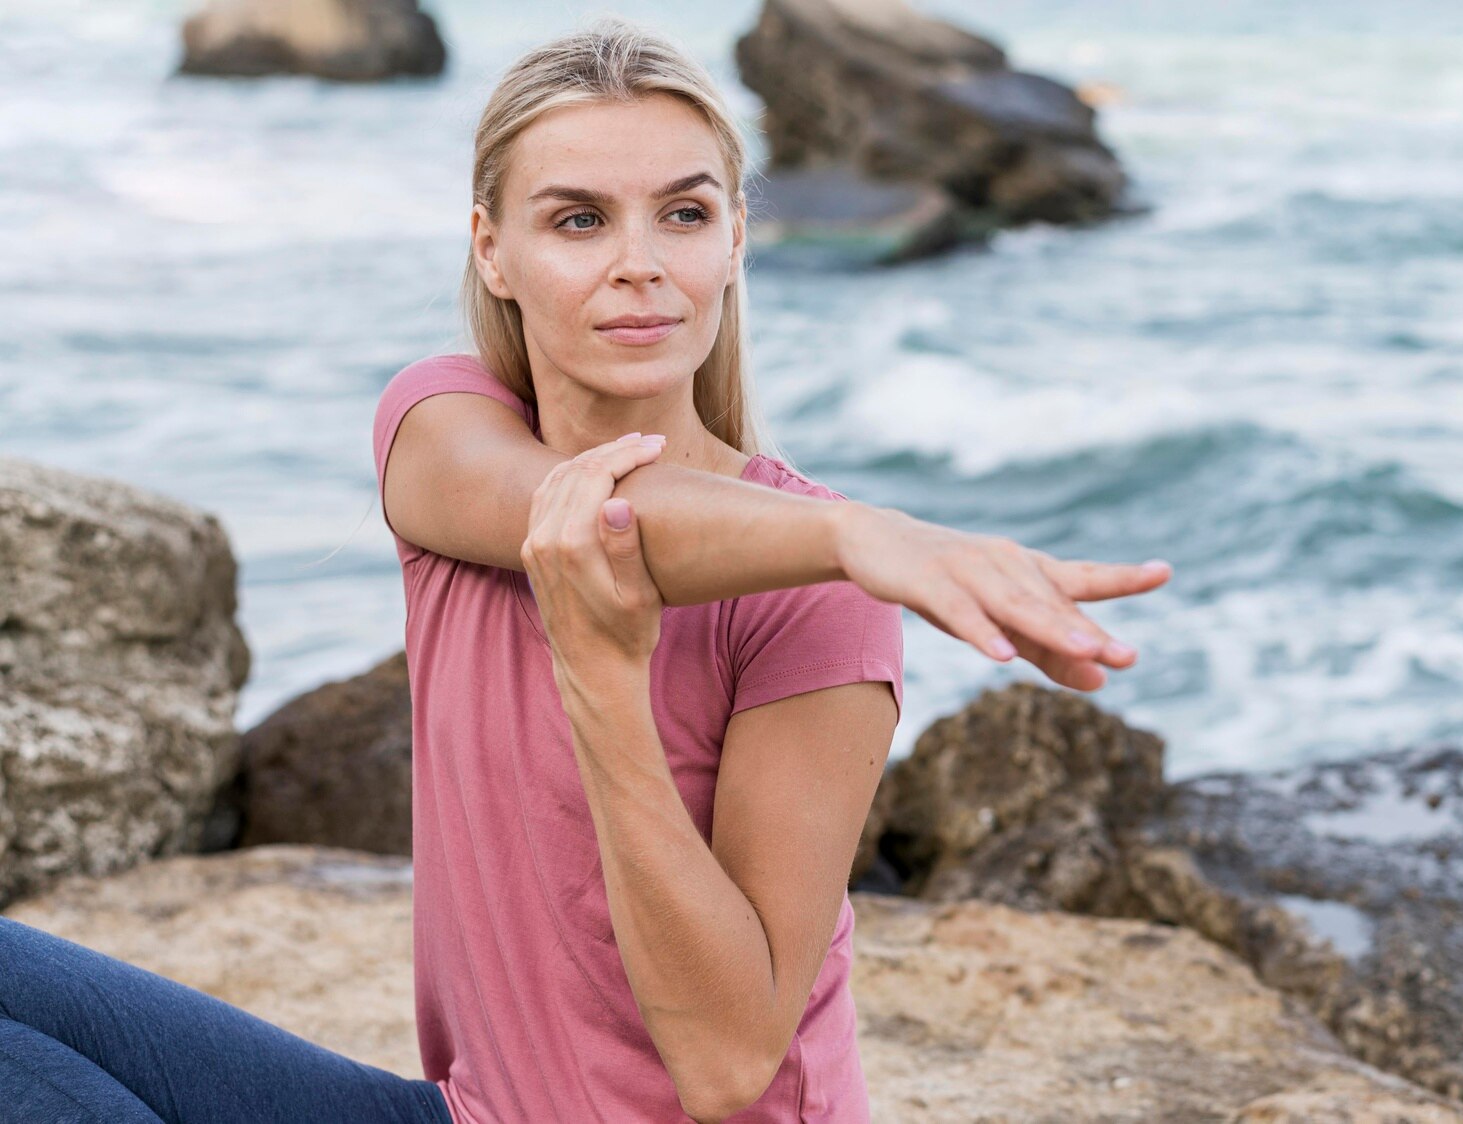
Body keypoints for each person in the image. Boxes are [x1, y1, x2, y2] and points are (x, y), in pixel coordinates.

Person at [0, 16, 1169, 1124]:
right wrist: (860, 531)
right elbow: (583, 512)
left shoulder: (815, 596)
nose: (640, 266)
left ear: (736, 238)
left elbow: (726, 1064)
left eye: (682, 213)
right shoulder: (440, 425)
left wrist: (613, 689)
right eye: (577, 221)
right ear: (490, 250)